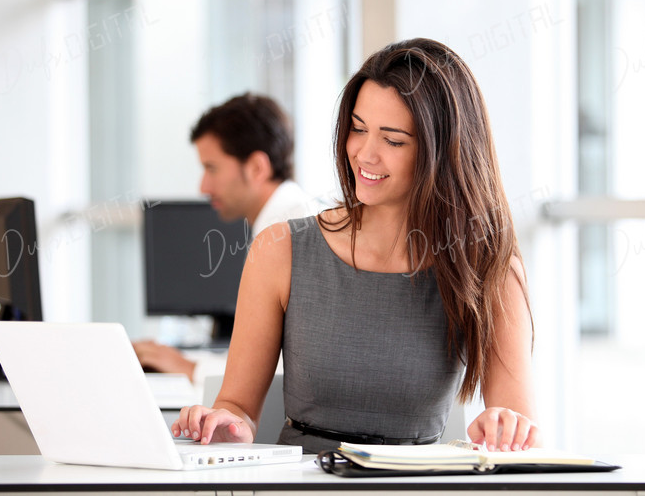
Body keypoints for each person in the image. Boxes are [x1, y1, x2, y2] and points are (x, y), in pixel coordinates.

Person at [172, 38, 540, 454]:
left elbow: (519, 426)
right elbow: (237, 406)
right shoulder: (279, 250)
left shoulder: (488, 265)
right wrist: (226, 424)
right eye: (358, 129)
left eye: (393, 140)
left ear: (444, 151)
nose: (365, 154)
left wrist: (506, 427)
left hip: (414, 482)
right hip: (303, 481)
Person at [133, 93, 317, 383]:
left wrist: (189, 368)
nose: (203, 187)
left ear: (256, 168)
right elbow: (265, 354)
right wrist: (185, 362)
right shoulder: (284, 220)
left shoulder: (290, 233)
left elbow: (286, 370)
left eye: (212, 168)